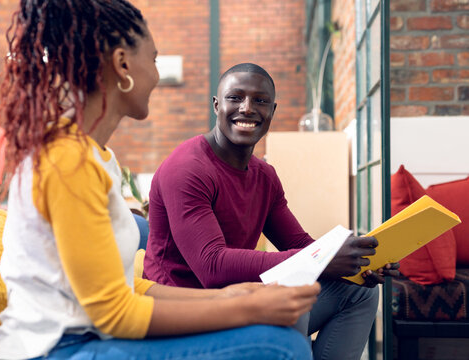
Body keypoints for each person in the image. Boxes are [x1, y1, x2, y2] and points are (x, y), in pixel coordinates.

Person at [0, 2, 320, 360]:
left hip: (89, 335)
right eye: (153, 59)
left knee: (277, 332)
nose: (156, 74)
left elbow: (126, 287)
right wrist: (250, 308)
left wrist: (238, 295)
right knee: (281, 346)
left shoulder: (95, 155)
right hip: (58, 348)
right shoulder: (67, 160)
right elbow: (115, 313)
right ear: (122, 65)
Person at [143, 63, 400, 360]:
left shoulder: (264, 176)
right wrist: (319, 260)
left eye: (260, 101)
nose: (248, 108)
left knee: (361, 293)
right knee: (290, 304)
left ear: (272, 111)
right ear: (217, 105)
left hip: (236, 299)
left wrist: (360, 261)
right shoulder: (187, 168)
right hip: (185, 311)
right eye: (235, 98)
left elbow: (300, 244)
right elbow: (211, 267)